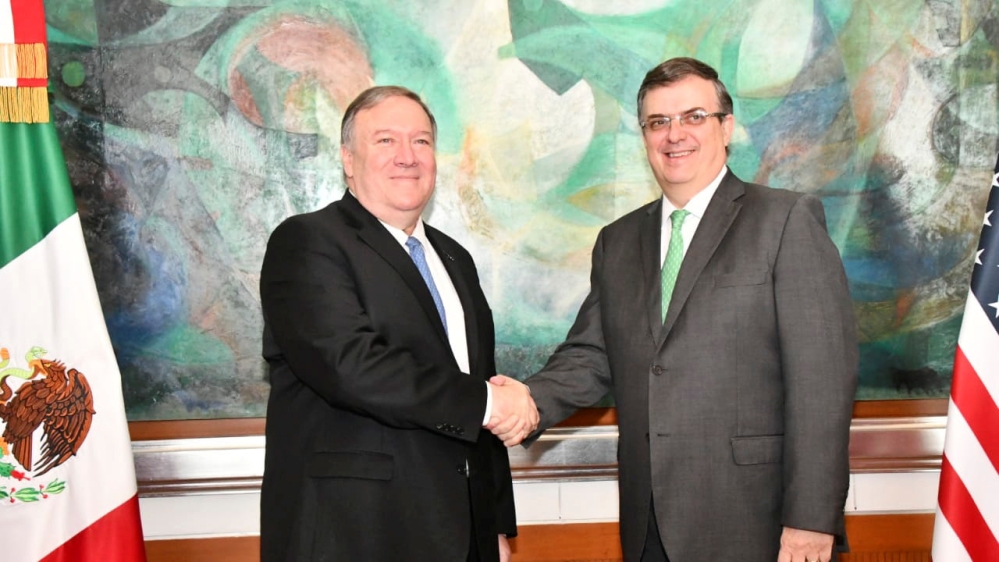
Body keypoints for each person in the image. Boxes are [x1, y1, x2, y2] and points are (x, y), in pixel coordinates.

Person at [491, 57, 858, 562]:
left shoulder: (785, 220)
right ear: (644, 136)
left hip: (759, 522)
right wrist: (527, 399)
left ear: (726, 127)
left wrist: (812, 519)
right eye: (658, 121)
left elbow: (822, 384)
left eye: (693, 117)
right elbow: (591, 356)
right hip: (649, 524)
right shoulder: (617, 241)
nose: (674, 134)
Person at [260, 85, 537, 562]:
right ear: (348, 159)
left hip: (462, 536)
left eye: (421, 141)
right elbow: (352, 366)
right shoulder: (307, 242)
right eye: (386, 140)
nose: (407, 156)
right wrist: (489, 403)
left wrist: (494, 524)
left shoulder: (455, 258)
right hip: (354, 532)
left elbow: (479, 382)